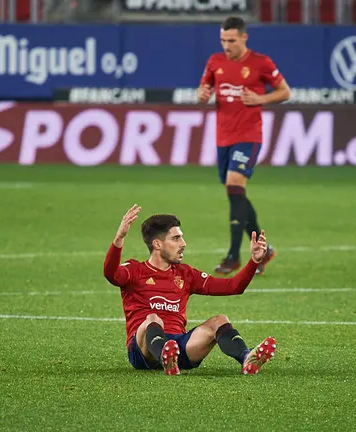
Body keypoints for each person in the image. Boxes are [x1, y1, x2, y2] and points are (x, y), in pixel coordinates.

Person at [103, 204, 276, 375]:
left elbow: (234, 286)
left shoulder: (185, 274)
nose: (183, 243)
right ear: (157, 244)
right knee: (152, 319)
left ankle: (246, 357)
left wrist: (254, 261)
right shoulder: (135, 270)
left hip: (177, 348)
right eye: (176, 238)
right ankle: (164, 355)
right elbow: (111, 274)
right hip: (142, 351)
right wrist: (119, 238)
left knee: (219, 320)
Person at [198, 16, 291, 276]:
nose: (226, 46)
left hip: (249, 135)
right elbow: (203, 89)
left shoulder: (261, 63)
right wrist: (203, 95)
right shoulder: (215, 62)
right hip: (223, 137)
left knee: (234, 186)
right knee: (235, 192)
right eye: (223, 40)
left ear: (243, 37)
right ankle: (265, 251)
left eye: (231, 40)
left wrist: (260, 98)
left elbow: (285, 91)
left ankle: (233, 256)